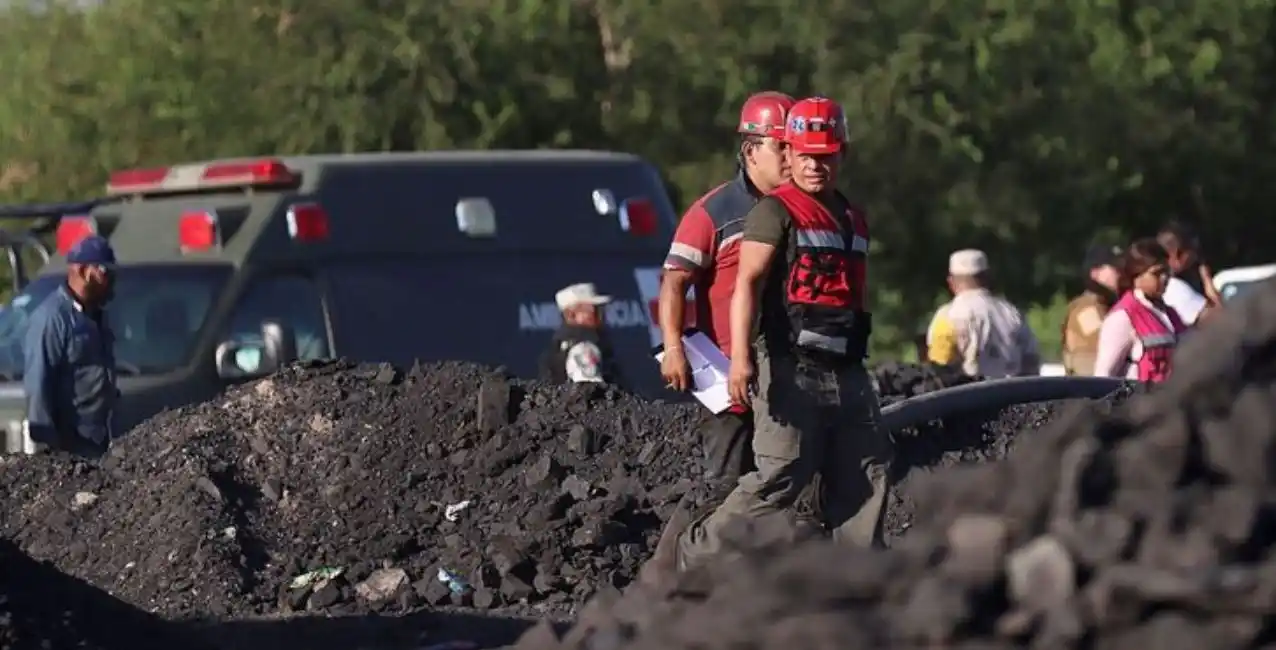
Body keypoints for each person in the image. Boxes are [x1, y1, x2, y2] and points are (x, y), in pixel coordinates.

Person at [677, 96, 894, 569]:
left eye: (827, 155)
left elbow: (854, 292)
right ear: (789, 155)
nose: (816, 165)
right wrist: (741, 361)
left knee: (868, 466)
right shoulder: (774, 212)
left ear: (843, 155)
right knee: (782, 471)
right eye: (806, 155)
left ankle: (859, 579)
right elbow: (746, 286)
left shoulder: (853, 218)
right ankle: (698, 555)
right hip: (789, 363)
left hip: (846, 367)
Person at [644, 90, 796, 582]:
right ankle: (674, 576)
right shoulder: (714, 212)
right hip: (724, 371)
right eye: (782, 148)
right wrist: (672, 348)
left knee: (778, 479)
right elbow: (674, 281)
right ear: (752, 150)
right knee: (727, 481)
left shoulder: (799, 209)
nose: (793, 158)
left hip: (783, 367)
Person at [23, 235, 119, 459]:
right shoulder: (51, 319)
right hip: (71, 449)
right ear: (85, 271)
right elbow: (38, 385)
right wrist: (50, 453)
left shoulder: (96, 316)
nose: (112, 280)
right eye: (106, 272)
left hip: (100, 444)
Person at [925, 249, 1041, 378]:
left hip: (971, 396)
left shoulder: (946, 317)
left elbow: (938, 369)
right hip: (1013, 395)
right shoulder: (1013, 314)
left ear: (951, 283)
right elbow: (1031, 363)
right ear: (987, 278)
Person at [1093, 238, 1186, 381]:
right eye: (1157, 273)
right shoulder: (1123, 318)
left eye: (1167, 271)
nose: (1165, 278)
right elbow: (1103, 377)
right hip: (1139, 402)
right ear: (1136, 276)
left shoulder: (1171, 315)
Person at [538, 282, 622, 385]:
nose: (600, 315)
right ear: (571, 315)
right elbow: (591, 392)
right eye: (592, 310)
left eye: (600, 309)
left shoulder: (561, 344)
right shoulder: (583, 349)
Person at [1061, 244, 1123, 376]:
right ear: (1095, 273)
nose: (1122, 274)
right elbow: (1103, 346)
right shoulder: (1086, 310)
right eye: (1116, 269)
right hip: (1090, 391)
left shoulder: (1108, 306)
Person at [1157, 221, 1221, 325]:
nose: (1195, 257)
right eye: (1192, 251)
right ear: (1177, 254)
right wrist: (1207, 280)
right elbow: (1222, 321)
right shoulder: (1175, 289)